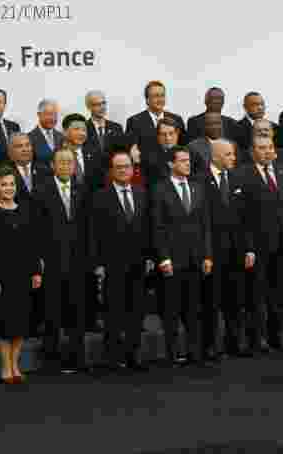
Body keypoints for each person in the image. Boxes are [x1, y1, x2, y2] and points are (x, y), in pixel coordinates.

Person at [236, 136, 283, 352]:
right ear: (252, 151)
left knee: (280, 291)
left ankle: (279, 335)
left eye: (270, 147)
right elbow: (241, 216)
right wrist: (248, 246)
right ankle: (259, 337)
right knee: (257, 293)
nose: (267, 152)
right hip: (258, 244)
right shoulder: (242, 173)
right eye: (262, 148)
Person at [88, 149, 150, 371]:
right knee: (113, 312)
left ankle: (134, 355)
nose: (124, 170)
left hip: (139, 262)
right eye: (119, 167)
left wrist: (151, 256)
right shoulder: (100, 196)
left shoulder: (142, 192)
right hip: (112, 263)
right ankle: (113, 357)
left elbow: (149, 228)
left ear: (133, 169)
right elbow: (94, 233)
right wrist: (98, 263)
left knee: (137, 311)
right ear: (112, 171)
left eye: (127, 166)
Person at [151, 146, 212, 366]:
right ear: (171, 164)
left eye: (188, 160)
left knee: (194, 308)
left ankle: (194, 352)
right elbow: (157, 226)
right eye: (183, 160)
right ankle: (171, 353)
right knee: (171, 309)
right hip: (172, 260)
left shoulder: (198, 187)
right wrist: (163, 257)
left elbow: (205, 225)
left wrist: (207, 255)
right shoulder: (160, 189)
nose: (188, 164)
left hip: (196, 258)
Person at [34, 148, 91, 374]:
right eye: (62, 162)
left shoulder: (83, 190)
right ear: (53, 165)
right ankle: (52, 361)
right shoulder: (41, 190)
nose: (66, 165)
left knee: (77, 311)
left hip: (78, 260)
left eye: (70, 162)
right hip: (51, 260)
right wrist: (39, 258)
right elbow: (36, 228)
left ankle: (78, 359)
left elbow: (89, 227)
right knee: (52, 312)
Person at [0, 166, 41, 384]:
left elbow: (32, 244)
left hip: (23, 275)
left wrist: (36, 271)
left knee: (20, 323)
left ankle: (15, 365)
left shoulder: (25, 210)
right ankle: (5, 368)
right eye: (4, 184)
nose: (8, 188)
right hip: (1, 276)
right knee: (4, 324)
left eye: (11, 184)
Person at [200, 139, 247, 360]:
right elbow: (202, 221)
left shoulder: (237, 178)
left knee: (235, 299)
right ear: (215, 156)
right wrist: (206, 253)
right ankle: (210, 345)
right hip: (213, 251)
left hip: (236, 250)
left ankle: (234, 342)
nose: (233, 158)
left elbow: (246, 217)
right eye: (228, 154)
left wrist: (249, 249)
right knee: (212, 301)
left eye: (233, 154)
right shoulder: (200, 180)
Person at [125, 80, 186, 157]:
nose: (160, 99)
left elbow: (183, 147)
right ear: (147, 99)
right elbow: (133, 151)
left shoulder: (177, 119)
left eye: (162, 95)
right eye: (156, 96)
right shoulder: (134, 122)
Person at [61, 113, 103, 191]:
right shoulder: (57, 155)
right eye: (76, 129)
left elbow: (100, 184)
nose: (81, 133)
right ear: (65, 132)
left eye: (84, 130)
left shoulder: (95, 154)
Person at [6, 133, 46, 202]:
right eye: (19, 146)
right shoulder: (4, 173)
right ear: (10, 152)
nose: (25, 149)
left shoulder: (45, 170)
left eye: (27, 145)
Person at [140, 118, 180, 187]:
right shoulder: (149, 159)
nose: (168, 138)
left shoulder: (187, 153)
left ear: (177, 133)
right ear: (158, 136)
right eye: (163, 134)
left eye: (171, 133)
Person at [84, 90, 123, 154]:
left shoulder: (116, 128)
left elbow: (121, 152)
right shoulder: (83, 128)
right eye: (97, 104)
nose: (102, 107)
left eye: (103, 103)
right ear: (88, 107)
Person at [29, 98, 63, 165]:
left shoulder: (62, 137)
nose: (52, 118)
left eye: (55, 115)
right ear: (39, 115)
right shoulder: (29, 138)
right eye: (49, 114)